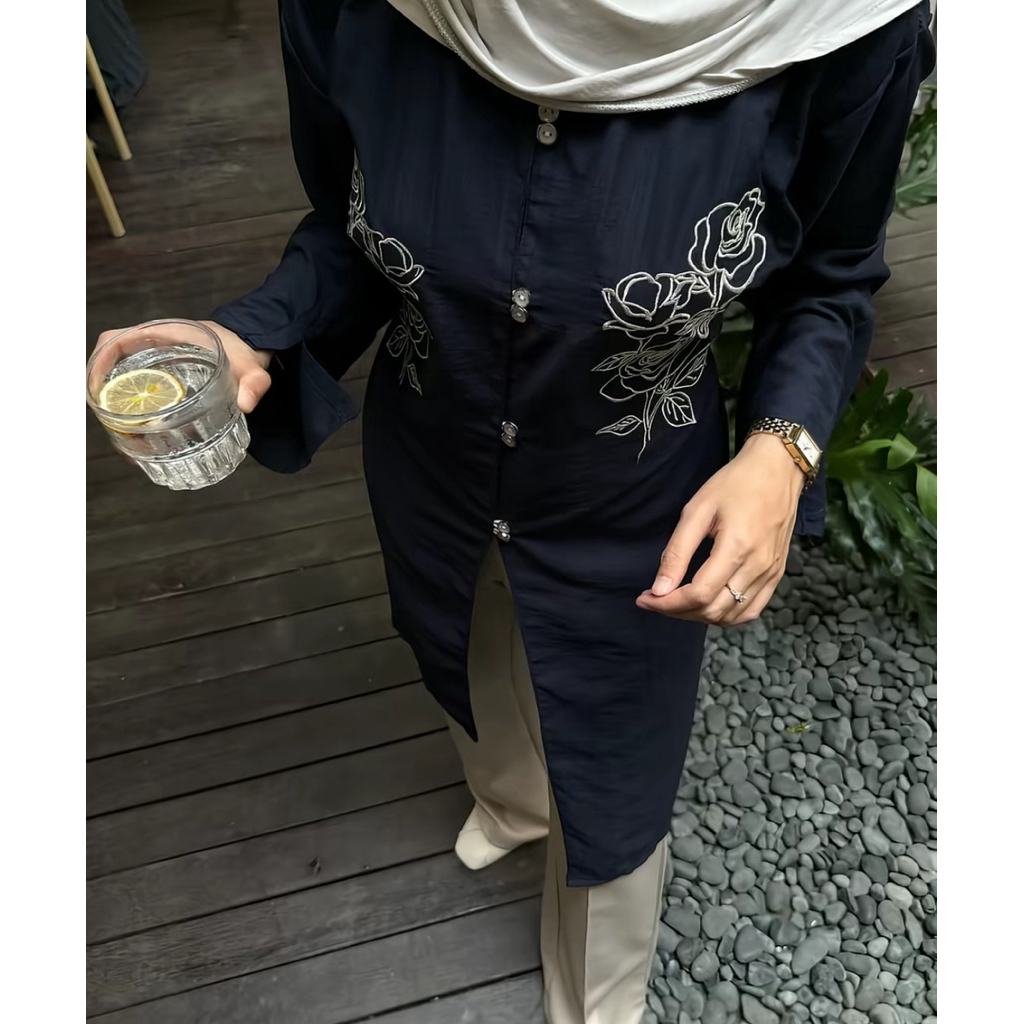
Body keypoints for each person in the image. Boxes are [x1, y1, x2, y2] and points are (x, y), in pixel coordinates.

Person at [95, 2, 935, 1021]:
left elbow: (829, 280)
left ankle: (599, 999)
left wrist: (780, 449)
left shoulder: (842, 25)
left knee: (619, 773)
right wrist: (251, 331)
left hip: (639, 500)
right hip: (433, 456)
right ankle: (511, 800)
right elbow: (350, 234)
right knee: (465, 649)